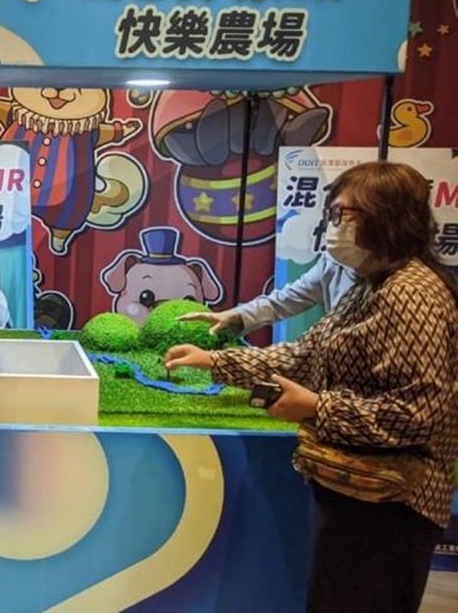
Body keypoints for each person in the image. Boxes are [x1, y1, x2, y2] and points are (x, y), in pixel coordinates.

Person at [164, 161, 458, 613]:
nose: (334, 226)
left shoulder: (411, 294)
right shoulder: (370, 283)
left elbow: (416, 415)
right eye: (332, 213)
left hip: (393, 501)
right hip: (355, 492)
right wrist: (214, 361)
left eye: (346, 214)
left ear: (390, 217)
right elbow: (305, 353)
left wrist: (317, 407)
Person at [179, 252, 358, 336]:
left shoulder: (377, 291)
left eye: (347, 213)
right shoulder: (333, 262)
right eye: (333, 213)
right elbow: (283, 300)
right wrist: (234, 315)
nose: (337, 224)